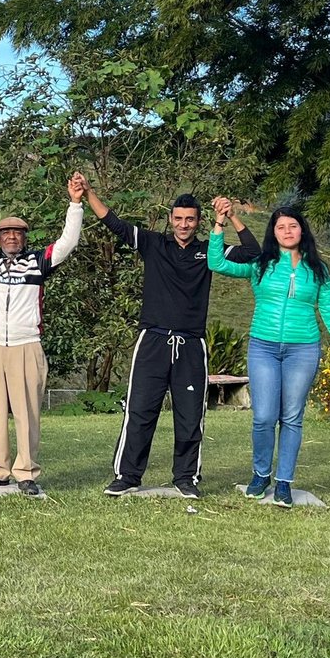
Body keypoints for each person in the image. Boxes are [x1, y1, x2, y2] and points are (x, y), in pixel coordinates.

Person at [207, 202, 330, 508]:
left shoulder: (317, 269)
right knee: (264, 416)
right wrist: (219, 224)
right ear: (273, 232)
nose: (287, 231)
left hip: (302, 349)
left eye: (292, 226)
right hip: (263, 347)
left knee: (292, 417)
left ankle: (284, 483)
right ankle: (261, 474)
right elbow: (218, 264)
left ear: (301, 230)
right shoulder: (260, 263)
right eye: (280, 227)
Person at [86, 187, 238, 499]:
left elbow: (251, 252)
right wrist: (88, 193)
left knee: (189, 415)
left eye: (190, 219)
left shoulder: (210, 251)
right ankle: (127, 476)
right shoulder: (154, 243)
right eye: (179, 218)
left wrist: (229, 218)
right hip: (152, 340)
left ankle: (186, 478)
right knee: (140, 411)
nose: (184, 224)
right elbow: (114, 222)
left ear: (198, 222)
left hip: (191, 345)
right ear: (170, 219)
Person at [0, 170, 86, 498]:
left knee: (27, 413)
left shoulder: (38, 262)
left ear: (25, 238)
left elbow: (68, 242)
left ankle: (26, 472)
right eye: (5, 232)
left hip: (26, 346)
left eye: (18, 233)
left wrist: (75, 204)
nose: (11, 237)